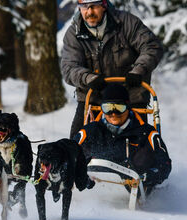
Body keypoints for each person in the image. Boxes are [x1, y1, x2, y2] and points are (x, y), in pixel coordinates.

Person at [61, 0, 164, 139]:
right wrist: (88, 78)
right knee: (76, 144)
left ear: (103, 5)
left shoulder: (126, 22)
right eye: (84, 7)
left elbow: (152, 47)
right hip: (93, 98)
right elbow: (69, 67)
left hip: (130, 97)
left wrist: (138, 71)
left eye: (94, 6)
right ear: (79, 8)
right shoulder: (74, 33)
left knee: (139, 145)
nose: (89, 12)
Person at [73, 84, 171, 194]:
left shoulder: (146, 133)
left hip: (134, 190)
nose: (113, 113)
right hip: (94, 188)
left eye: (119, 108)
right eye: (108, 108)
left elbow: (165, 164)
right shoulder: (90, 131)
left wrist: (149, 176)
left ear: (128, 106)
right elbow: (69, 154)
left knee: (144, 155)